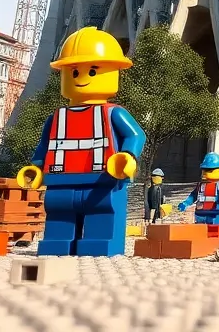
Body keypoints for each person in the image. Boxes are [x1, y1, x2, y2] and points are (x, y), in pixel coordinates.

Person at [16, 28, 145, 257]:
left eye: (93, 71)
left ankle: (98, 245)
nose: (82, 77)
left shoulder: (113, 113)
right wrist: (36, 168)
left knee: (102, 214)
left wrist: (128, 156)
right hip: (60, 180)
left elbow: (135, 135)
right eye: (74, 72)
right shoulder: (57, 118)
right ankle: (58, 244)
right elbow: (45, 146)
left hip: (103, 179)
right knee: (59, 214)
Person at [176, 152, 219, 225]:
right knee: (201, 231)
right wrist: (185, 203)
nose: (205, 173)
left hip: (217, 214)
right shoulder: (201, 185)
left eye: (210, 170)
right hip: (200, 213)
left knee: (216, 231)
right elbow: (194, 195)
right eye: (204, 170)